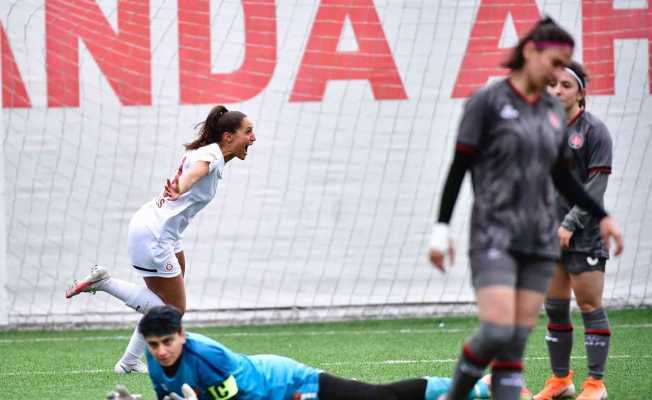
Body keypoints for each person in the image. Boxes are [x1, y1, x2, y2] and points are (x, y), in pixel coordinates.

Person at [427, 17, 623, 400]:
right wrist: (440, 227)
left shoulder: (550, 112)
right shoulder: (487, 102)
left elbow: (564, 178)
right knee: (498, 330)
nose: (557, 73)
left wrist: (602, 216)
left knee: (514, 344)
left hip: (540, 241)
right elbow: (459, 165)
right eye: (554, 62)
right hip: (494, 234)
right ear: (531, 52)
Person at [66, 105, 256, 373]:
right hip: (154, 234)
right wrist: (180, 187)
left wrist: (181, 188)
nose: (253, 138)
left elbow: (199, 170)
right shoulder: (211, 154)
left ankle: (129, 362)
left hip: (161, 231)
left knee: (165, 300)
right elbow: (194, 175)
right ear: (227, 136)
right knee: (174, 310)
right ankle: (105, 283)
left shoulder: (209, 151)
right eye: (248, 132)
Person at [108, 305, 494, 400]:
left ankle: (479, 386)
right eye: (154, 345)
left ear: (182, 334)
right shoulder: (158, 369)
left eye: (167, 342)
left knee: (381, 397)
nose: (160, 351)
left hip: (286, 383)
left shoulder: (206, 358)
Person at [533, 61, 613, 400]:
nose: (556, 91)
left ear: (581, 91)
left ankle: (596, 385)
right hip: (550, 233)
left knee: (589, 305)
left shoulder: (595, 131)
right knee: (554, 306)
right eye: (552, 85)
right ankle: (560, 380)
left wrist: (569, 223)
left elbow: (596, 186)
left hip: (585, 233)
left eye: (566, 85)